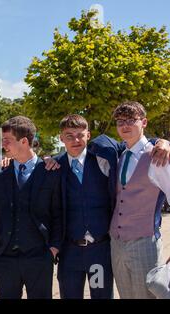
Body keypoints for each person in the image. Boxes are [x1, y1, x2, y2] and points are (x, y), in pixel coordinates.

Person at [0, 116, 63, 299]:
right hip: (4, 258)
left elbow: (58, 214)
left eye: (7, 140)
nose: (3, 144)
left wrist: (53, 248)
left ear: (24, 141)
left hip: (39, 257)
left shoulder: (50, 171)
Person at [109, 101, 170, 299]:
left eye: (131, 120)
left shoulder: (157, 157)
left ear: (144, 122)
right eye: (120, 121)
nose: (125, 125)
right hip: (116, 244)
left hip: (144, 242)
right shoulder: (119, 155)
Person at [56, 114, 115, 299]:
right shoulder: (54, 166)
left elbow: (134, 145)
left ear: (88, 135)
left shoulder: (103, 161)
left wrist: (162, 142)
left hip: (99, 252)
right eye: (69, 135)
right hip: (69, 252)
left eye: (80, 135)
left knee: (101, 296)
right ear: (61, 138)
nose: (76, 140)